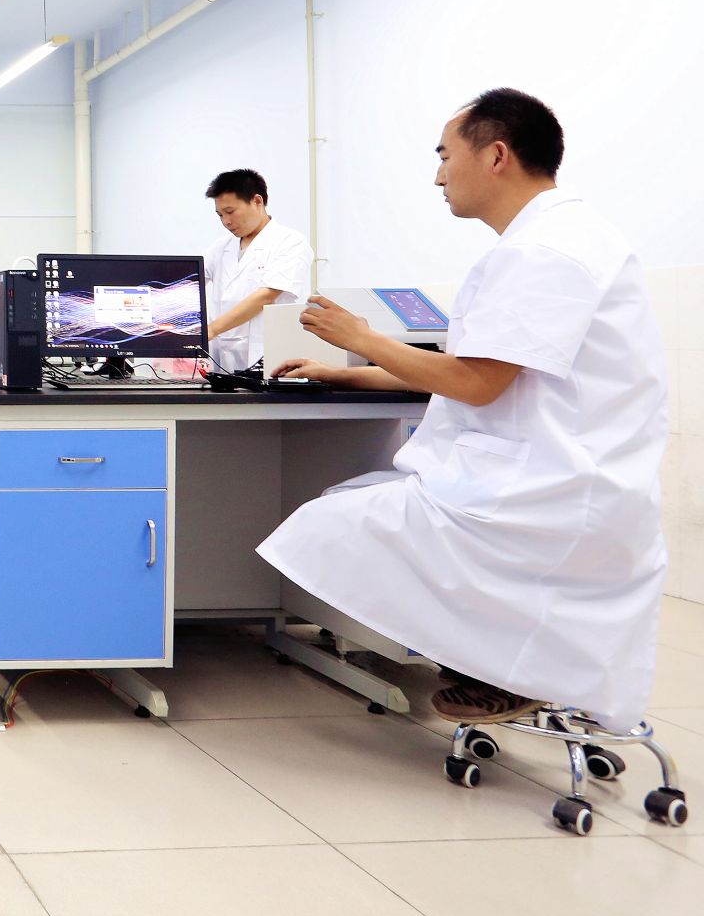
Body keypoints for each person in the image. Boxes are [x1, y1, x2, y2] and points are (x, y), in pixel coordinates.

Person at [258, 89, 669, 729]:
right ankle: (489, 661)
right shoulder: (561, 238)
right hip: (560, 479)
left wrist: (362, 337)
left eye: (445, 156)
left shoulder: (541, 253)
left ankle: (504, 666)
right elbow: (471, 370)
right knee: (345, 510)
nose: (438, 175)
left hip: (540, 494)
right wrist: (344, 372)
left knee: (323, 527)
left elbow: (476, 383)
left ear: (496, 155)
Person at [201, 168, 312, 373]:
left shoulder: (290, 242)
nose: (226, 221)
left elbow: (266, 295)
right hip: (222, 358)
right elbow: (193, 282)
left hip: (267, 355)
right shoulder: (220, 247)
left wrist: (212, 329)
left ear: (257, 201)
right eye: (220, 215)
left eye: (230, 212)